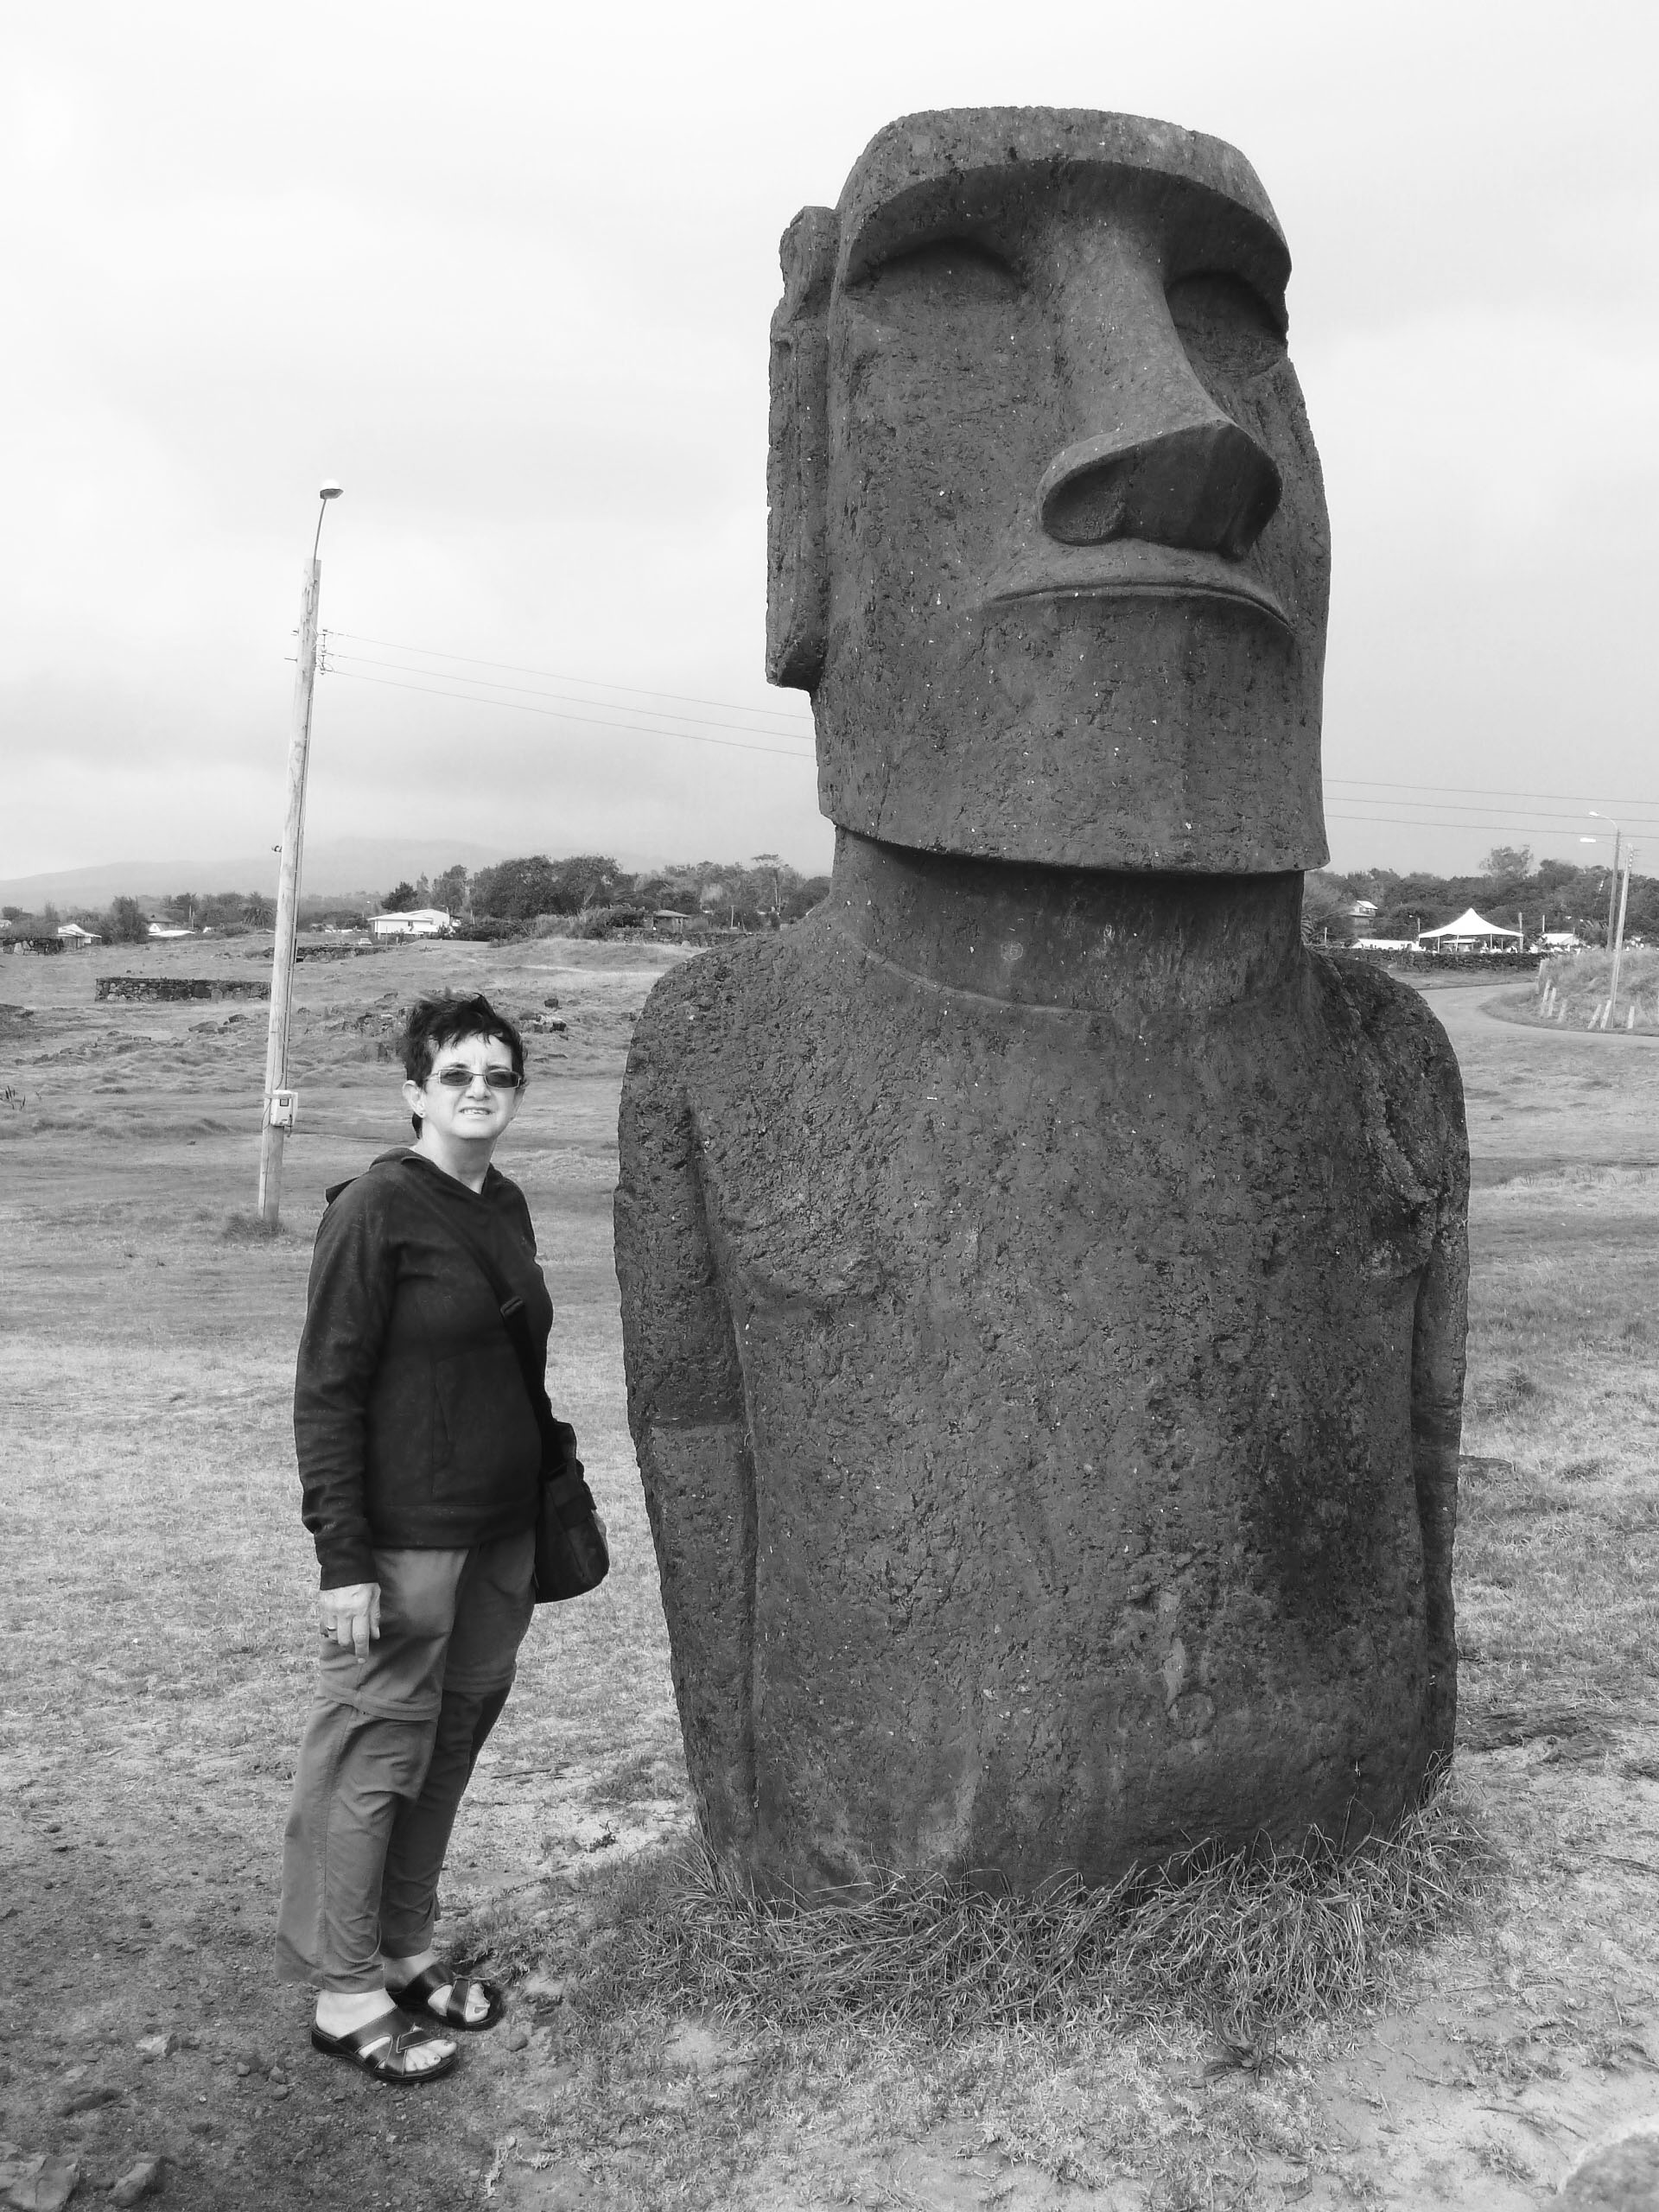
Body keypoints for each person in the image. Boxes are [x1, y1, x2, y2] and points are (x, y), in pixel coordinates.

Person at [276, 992, 554, 2083]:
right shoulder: (375, 1212)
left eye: (497, 1075)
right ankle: (346, 1994)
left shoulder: (509, 1204)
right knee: (373, 1755)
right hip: (403, 1547)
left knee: (449, 1746)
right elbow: (327, 1392)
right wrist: (342, 1558)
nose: (479, 1091)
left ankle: (404, 1950)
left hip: (500, 1538)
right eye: (457, 1075)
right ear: (414, 1094)